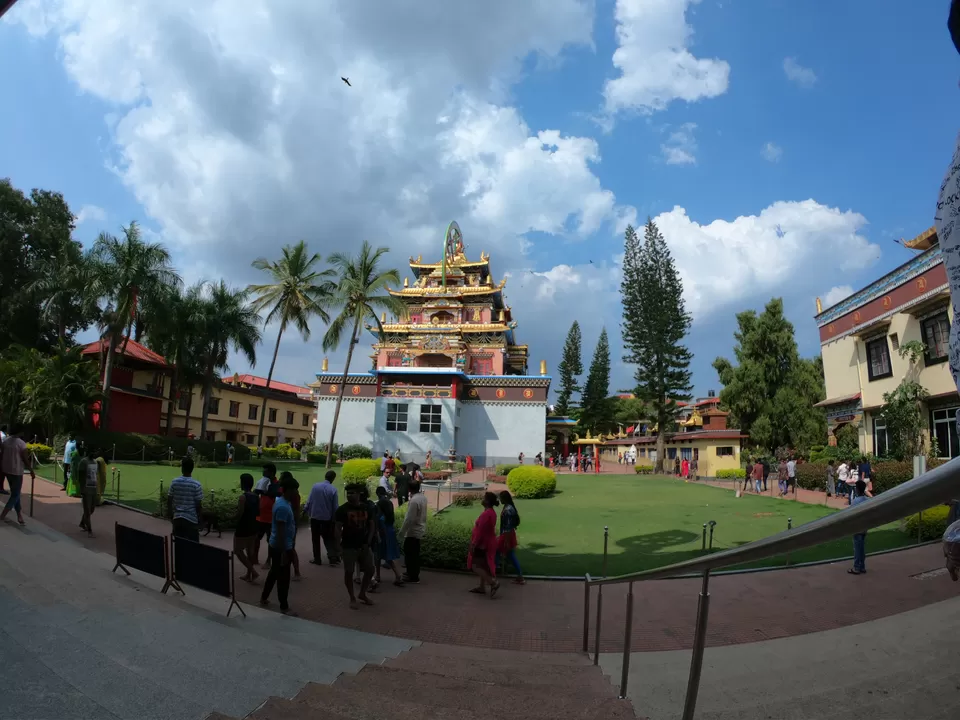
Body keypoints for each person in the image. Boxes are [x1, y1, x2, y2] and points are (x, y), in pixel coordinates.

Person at [260, 475, 298, 615]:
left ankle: (264, 597)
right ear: (287, 490)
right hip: (281, 547)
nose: (296, 493)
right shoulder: (282, 507)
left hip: (278, 545)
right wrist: (284, 552)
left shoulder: (284, 503)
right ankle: (284, 606)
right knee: (284, 578)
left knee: (274, 573)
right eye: (294, 490)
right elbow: (281, 531)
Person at [335, 483, 375, 608]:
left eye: (352, 493)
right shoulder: (342, 510)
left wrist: (368, 541)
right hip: (348, 546)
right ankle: (352, 597)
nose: (350, 495)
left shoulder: (366, 508)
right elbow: (337, 529)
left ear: (359, 494)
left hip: (363, 545)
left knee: (370, 570)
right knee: (349, 572)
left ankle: (362, 594)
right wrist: (338, 548)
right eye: (348, 493)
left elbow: (372, 525)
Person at [468, 491, 500, 597]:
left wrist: (474, 544)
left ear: (487, 501)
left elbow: (480, 531)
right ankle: (482, 587)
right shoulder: (491, 512)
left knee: (475, 566)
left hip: (483, 543)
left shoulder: (486, 514)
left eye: (484, 498)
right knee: (483, 565)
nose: (482, 499)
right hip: (488, 542)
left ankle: (492, 583)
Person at [305, 470, 340, 566]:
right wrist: (334, 519)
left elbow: (309, 500)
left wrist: (306, 510)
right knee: (328, 538)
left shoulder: (315, 486)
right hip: (326, 519)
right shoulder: (333, 489)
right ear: (333, 478)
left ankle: (317, 559)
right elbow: (335, 507)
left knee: (315, 539)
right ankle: (332, 557)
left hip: (315, 517)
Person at [0, 426, 34, 526]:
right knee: (15, 494)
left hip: (6, 470)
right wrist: (31, 470)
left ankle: (19, 514)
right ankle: (3, 514)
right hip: (17, 471)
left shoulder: (5, 441)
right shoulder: (21, 443)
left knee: (15, 493)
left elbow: (2, 455)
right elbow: (25, 459)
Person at [167, 456, 203, 542]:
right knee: (193, 548)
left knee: (179, 547)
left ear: (182, 468)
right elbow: (198, 506)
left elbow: (169, 500)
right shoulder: (196, 485)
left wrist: (171, 516)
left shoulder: (175, 482)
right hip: (191, 520)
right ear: (192, 469)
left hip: (178, 519)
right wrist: (200, 521)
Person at [399, 476, 427, 584]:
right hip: (420, 528)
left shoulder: (414, 501)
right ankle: (411, 572)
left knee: (410, 554)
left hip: (413, 531)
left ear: (409, 489)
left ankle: (413, 576)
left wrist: (401, 532)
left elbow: (409, 519)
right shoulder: (422, 497)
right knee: (414, 553)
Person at [375, 486, 405, 587]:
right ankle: (396, 575)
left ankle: (380, 575)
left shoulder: (379, 504)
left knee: (379, 554)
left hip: (383, 531)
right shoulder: (390, 502)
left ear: (378, 494)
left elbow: (378, 518)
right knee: (389, 554)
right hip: (390, 529)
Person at [234, 473, 260, 583]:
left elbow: (240, 513)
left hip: (243, 528)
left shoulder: (242, 497)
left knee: (238, 550)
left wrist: (231, 517)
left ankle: (253, 571)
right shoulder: (256, 497)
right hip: (253, 527)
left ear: (243, 483)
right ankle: (249, 575)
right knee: (250, 551)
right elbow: (258, 512)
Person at [278, 471, 303, 581]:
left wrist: (295, 524)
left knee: (290, 548)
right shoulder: (283, 493)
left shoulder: (294, 495)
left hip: (290, 524)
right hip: (284, 523)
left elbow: (297, 510)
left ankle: (297, 571)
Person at [497, 490, 524, 584]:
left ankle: (492, 575)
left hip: (506, 535)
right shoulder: (509, 507)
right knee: (510, 555)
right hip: (508, 534)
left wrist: (507, 542)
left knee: (497, 551)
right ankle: (519, 576)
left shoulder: (508, 509)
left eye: (500, 498)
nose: (499, 500)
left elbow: (508, 527)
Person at [254, 463, 279, 568]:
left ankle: (269, 561)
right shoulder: (263, 481)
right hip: (260, 516)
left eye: (265, 471)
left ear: (271, 472)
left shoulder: (277, 484)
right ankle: (254, 558)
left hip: (271, 518)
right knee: (256, 538)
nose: (263, 472)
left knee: (270, 541)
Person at [849, 479, 870, 575]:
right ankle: (862, 567)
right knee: (862, 548)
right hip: (864, 527)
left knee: (857, 548)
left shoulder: (855, 501)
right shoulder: (867, 500)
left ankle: (857, 567)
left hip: (857, 527)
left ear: (857, 489)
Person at [78, 448, 98, 537]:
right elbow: (80, 476)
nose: (93, 453)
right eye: (91, 452)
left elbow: (95, 475)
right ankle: (89, 530)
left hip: (93, 488)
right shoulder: (83, 462)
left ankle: (82, 522)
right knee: (87, 510)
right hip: (86, 489)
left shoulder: (95, 462)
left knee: (92, 509)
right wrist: (81, 489)